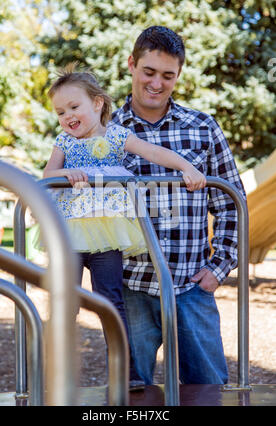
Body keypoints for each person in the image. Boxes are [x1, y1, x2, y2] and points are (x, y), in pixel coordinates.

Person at [43, 63, 206, 390]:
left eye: (74, 107)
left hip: (106, 235)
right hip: (70, 235)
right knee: (66, 300)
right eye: (61, 112)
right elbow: (47, 175)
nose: (67, 116)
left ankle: (126, 370)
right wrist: (65, 175)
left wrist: (186, 166)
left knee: (110, 299)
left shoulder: (117, 135)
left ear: (97, 104)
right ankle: (56, 370)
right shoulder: (64, 141)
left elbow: (154, 152)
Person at [111, 26, 246, 385]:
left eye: (168, 75)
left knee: (208, 389)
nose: (157, 83)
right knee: (132, 392)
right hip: (130, 286)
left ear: (178, 75)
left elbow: (232, 203)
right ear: (131, 65)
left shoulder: (203, 128)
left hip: (191, 285)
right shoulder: (105, 131)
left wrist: (218, 268)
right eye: (149, 72)